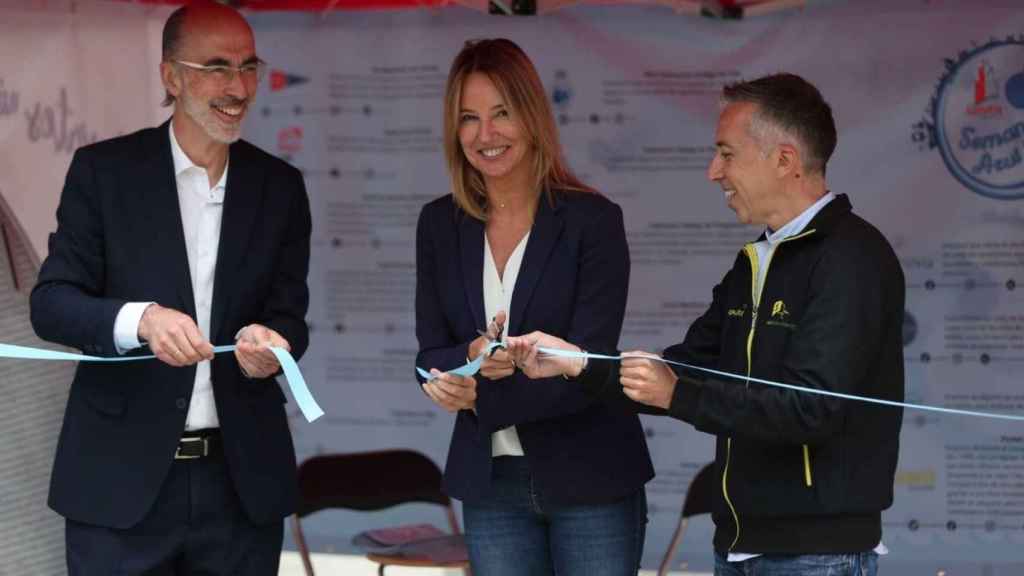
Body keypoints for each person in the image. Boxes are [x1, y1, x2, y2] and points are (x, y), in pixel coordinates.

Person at [507, 73, 904, 576]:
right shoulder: (755, 260)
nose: (713, 171)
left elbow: (812, 409)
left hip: (814, 555)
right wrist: (578, 364)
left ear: (783, 160)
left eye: (726, 153)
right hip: (738, 547)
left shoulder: (852, 257)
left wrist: (679, 394)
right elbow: (681, 368)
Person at [29, 2, 311, 574]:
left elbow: (291, 319)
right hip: (119, 486)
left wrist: (272, 347)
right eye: (216, 67)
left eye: (248, 66)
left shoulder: (279, 187)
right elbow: (52, 303)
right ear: (171, 76)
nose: (238, 86)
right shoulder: (104, 173)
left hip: (240, 488)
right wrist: (142, 320)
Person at [414, 38, 652, 575]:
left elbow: (592, 362)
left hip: (591, 479)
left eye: (502, 113)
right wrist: (459, 364)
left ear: (533, 115)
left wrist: (480, 394)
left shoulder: (593, 220)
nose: (485, 134)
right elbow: (429, 351)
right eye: (469, 118)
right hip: (490, 486)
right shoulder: (437, 224)